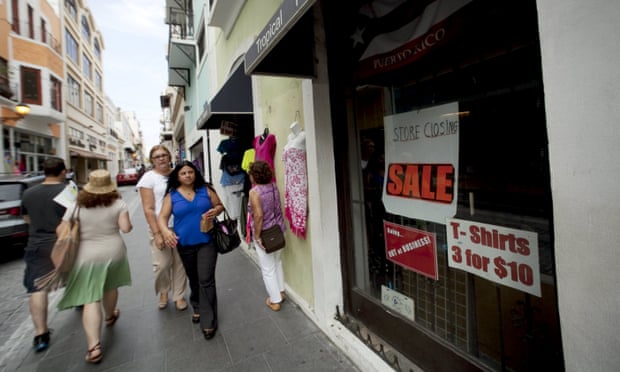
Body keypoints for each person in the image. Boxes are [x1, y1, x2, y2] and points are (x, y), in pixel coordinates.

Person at [55, 169, 133, 364]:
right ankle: (110, 315)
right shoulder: (118, 203)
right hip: (113, 251)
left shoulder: (76, 205)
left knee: (90, 298)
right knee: (110, 286)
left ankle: (94, 346)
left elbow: (61, 230)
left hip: (86, 255)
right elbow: (126, 228)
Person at [157, 160, 225, 340]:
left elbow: (219, 206)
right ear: (177, 176)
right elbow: (162, 218)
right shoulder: (171, 196)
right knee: (194, 278)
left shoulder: (206, 190)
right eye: (183, 173)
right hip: (185, 244)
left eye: (190, 172)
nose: (188, 175)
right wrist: (165, 231)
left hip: (207, 241)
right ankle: (196, 305)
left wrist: (214, 211)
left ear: (195, 173)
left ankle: (209, 321)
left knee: (206, 279)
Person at [21, 157, 68, 352]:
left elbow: (27, 218)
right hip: (64, 243)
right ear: (63, 171)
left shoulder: (28, 193)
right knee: (75, 275)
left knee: (37, 288)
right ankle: (81, 301)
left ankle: (41, 334)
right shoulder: (68, 190)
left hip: (37, 244)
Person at [136, 145, 188, 311]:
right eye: (157, 156)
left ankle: (179, 295)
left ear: (169, 156)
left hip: (180, 225)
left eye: (164, 155)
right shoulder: (148, 178)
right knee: (162, 264)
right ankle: (164, 291)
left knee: (180, 263)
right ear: (152, 160)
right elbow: (148, 208)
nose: (161, 158)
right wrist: (157, 233)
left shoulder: (178, 174)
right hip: (160, 226)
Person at [247, 160, 287, 311]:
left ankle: (275, 300)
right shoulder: (274, 186)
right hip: (279, 229)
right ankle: (281, 292)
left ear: (254, 175)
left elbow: (258, 216)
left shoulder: (254, 192)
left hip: (266, 233)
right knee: (277, 262)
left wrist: (257, 237)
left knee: (268, 268)